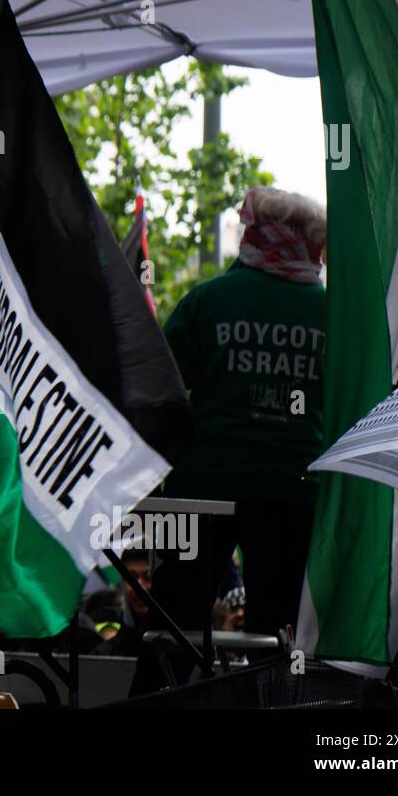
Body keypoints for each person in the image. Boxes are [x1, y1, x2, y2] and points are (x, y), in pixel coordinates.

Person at [149, 186, 327, 654]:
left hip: (199, 487)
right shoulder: (333, 314)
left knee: (170, 629)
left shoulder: (207, 300)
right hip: (292, 492)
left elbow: (157, 387)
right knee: (278, 638)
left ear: (256, 234)